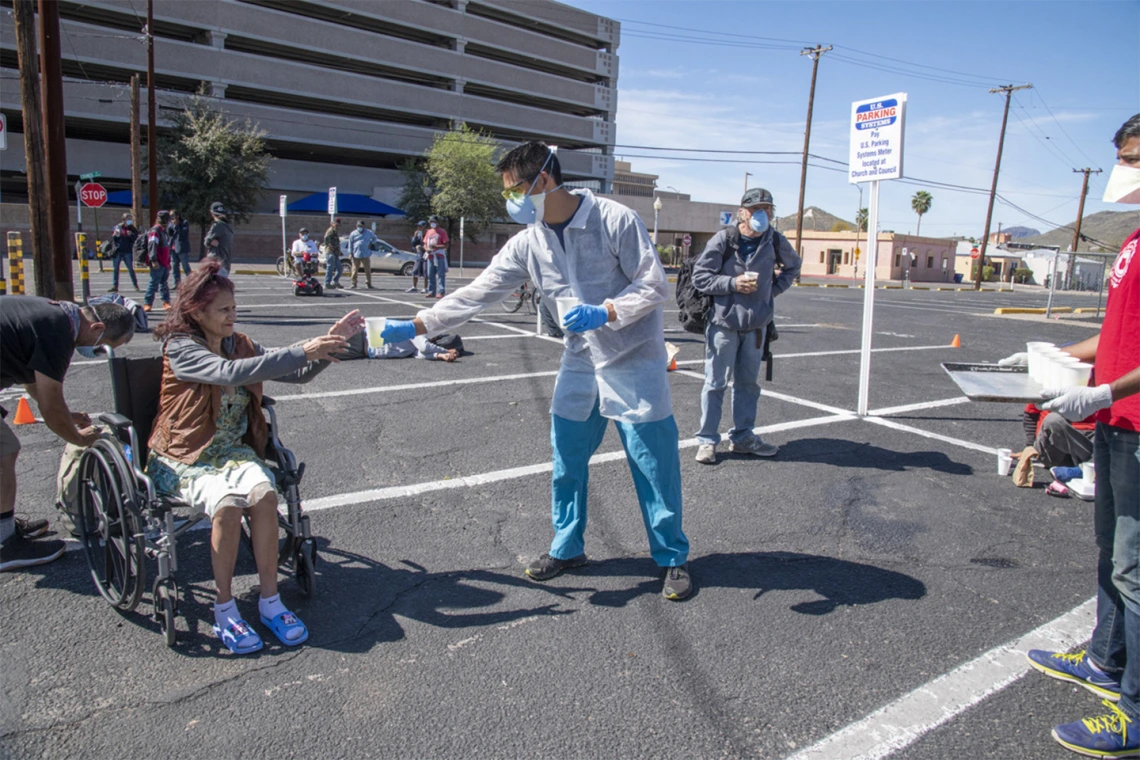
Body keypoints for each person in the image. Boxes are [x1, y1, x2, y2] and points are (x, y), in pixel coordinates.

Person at [380, 141, 693, 600]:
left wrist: (605, 311)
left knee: (652, 464)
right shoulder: (529, 242)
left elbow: (653, 284)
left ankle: (672, 558)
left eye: (515, 189)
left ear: (543, 179)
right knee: (567, 460)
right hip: (581, 362)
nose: (511, 200)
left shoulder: (613, 219)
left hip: (634, 360)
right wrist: (417, 323)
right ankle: (567, 547)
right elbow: (477, 293)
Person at [144, 261, 363, 654]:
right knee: (226, 507)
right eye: (223, 310)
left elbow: (295, 373)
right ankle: (225, 608)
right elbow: (228, 374)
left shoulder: (240, 342)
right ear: (197, 312)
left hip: (233, 452)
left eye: (234, 308)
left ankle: (270, 601)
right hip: (185, 455)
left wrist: (328, 346)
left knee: (264, 496)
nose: (232, 316)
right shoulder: (180, 348)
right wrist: (302, 349)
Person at [1022, 113, 1140, 757]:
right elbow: (1120, 333)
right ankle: (1105, 660)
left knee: (1135, 567)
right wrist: (1047, 356)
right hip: (1119, 423)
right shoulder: (1132, 238)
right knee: (1113, 556)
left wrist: (1102, 391)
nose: (1125, 167)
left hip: (1136, 422)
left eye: (1133, 155)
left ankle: (1136, 712)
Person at [0, 297, 136, 571]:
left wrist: (67, 414)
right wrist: (79, 438)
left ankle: (4, 526)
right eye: (104, 347)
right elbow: (50, 404)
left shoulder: (55, 315)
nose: (98, 352)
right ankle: (5, 544)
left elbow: (32, 379)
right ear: (97, 327)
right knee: (5, 451)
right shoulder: (58, 333)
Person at [691, 187, 801, 465]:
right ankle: (707, 441)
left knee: (748, 385)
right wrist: (732, 284)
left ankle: (742, 438)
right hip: (723, 325)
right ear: (742, 212)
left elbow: (793, 267)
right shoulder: (724, 239)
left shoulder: (775, 240)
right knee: (715, 384)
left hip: (756, 328)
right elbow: (700, 277)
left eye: (766, 210)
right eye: (755, 210)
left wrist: (770, 291)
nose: (761, 215)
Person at [1008, 403, 1095, 489]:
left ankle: (1086, 469)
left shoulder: (1101, 389)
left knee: (1103, 434)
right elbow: (1030, 414)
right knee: (1053, 419)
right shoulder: (1047, 389)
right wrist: (1030, 447)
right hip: (1054, 446)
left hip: (1086, 442)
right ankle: (1089, 469)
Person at [143, 209, 172, 313]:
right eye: (168, 220)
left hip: (164, 262)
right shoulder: (155, 231)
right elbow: (152, 245)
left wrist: (168, 262)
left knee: (164, 283)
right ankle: (148, 303)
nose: (169, 222)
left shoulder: (164, 232)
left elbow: (167, 248)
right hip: (158, 262)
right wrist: (153, 260)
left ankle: (166, 302)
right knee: (153, 283)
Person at [109, 212, 140, 293]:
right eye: (128, 219)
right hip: (118, 250)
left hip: (127, 251)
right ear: (124, 219)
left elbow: (136, 239)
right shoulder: (118, 227)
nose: (129, 220)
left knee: (130, 268)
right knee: (116, 269)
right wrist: (114, 235)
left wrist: (131, 235)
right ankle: (115, 286)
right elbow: (113, 239)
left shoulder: (132, 228)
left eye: (130, 219)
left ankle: (135, 285)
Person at [204, 202, 235, 277]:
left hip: (216, 263)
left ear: (212, 213)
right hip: (225, 263)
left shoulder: (217, 225)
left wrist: (210, 241)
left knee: (212, 287)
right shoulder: (228, 227)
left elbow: (206, 241)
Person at [424, 215, 450, 299]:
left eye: (434, 222)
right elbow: (425, 243)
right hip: (430, 256)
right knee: (430, 274)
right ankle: (431, 291)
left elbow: (446, 245)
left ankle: (441, 292)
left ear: (437, 222)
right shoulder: (428, 232)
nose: (432, 223)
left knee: (440, 274)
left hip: (439, 256)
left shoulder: (442, 232)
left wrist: (436, 246)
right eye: (431, 222)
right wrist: (426, 249)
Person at [347, 220, 378, 289]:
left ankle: (368, 283)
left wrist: (371, 243)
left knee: (367, 270)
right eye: (358, 226)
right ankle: (353, 283)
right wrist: (350, 253)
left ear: (364, 226)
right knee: (354, 270)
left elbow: (375, 238)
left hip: (365, 254)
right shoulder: (353, 233)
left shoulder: (369, 232)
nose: (359, 227)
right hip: (356, 254)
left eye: (361, 226)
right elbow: (350, 244)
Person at [168, 210, 193, 287]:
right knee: (175, 267)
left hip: (182, 248)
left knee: (185, 266)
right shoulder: (171, 224)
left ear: (177, 216)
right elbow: (169, 233)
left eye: (173, 216)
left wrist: (177, 225)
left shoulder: (184, 223)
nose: (171, 218)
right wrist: (171, 225)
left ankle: (192, 282)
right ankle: (177, 283)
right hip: (173, 248)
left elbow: (183, 234)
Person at [408, 220, 428, 293]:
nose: (419, 228)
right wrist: (415, 237)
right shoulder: (418, 234)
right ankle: (414, 286)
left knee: (426, 272)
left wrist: (423, 247)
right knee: (415, 271)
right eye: (418, 226)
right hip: (419, 255)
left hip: (426, 255)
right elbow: (413, 244)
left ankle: (426, 288)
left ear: (424, 227)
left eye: (420, 226)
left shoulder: (428, 234)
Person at [323, 218, 342, 290]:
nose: (337, 226)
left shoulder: (335, 231)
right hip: (330, 252)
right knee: (330, 268)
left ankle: (335, 281)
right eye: (335, 224)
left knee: (340, 268)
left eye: (338, 225)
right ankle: (327, 283)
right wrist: (331, 247)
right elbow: (326, 240)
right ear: (332, 224)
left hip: (335, 253)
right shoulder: (330, 231)